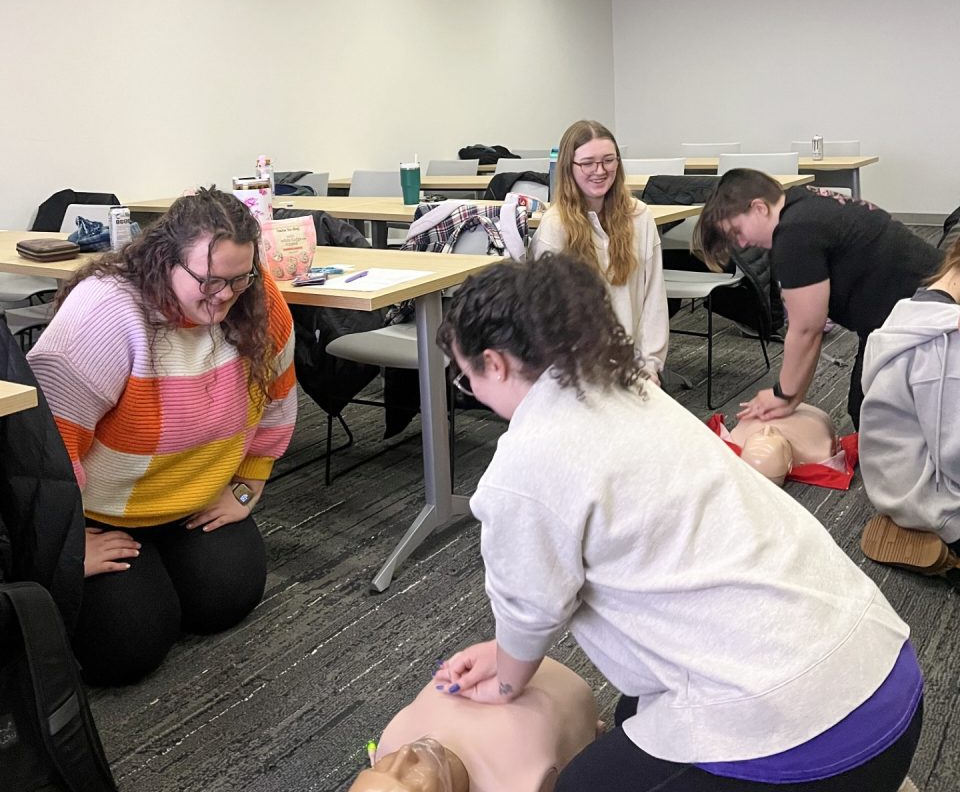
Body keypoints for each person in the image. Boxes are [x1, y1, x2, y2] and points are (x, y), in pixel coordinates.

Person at [432, 253, 922, 792]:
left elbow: (531, 610)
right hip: (887, 673)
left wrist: (505, 680)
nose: (470, 389)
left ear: (495, 363)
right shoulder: (632, 390)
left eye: (465, 376)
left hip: (820, 734)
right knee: (633, 717)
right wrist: (506, 655)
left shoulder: (523, 467)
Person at [29, 187, 298, 686]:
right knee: (128, 649)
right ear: (164, 258)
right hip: (95, 510)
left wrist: (248, 484)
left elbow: (277, 399)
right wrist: (63, 549)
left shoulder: (257, 300)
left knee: (227, 599)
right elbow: (43, 455)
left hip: (190, 499)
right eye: (209, 281)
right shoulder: (106, 314)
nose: (224, 297)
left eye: (239, 279)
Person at [694, 169, 939, 427]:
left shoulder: (794, 233)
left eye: (737, 231)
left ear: (759, 208)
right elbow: (811, 330)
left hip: (925, 318)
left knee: (872, 416)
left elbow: (806, 330)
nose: (742, 243)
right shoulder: (802, 204)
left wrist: (782, 394)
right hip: (916, 307)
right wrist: (791, 396)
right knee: (866, 410)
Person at [530, 120, 667, 381]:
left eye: (608, 160)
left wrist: (650, 366)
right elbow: (548, 318)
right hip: (576, 372)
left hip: (635, 368)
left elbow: (654, 300)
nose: (600, 170)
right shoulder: (555, 226)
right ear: (569, 167)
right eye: (588, 163)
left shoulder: (639, 216)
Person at [858, 234, 960, 580]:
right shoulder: (946, 347)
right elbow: (955, 459)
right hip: (932, 495)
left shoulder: (910, 313)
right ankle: (938, 545)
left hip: (898, 474)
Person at [350, 657, 600, 792]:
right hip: (565, 703)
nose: (404, 754)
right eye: (410, 779)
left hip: (514, 659)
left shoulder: (394, 739)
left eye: (378, 769)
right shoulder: (517, 781)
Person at [730, 403, 839, 485]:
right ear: (789, 466)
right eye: (772, 437)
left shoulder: (737, 436)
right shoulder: (818, 450)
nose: (767, 429)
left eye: (759, 435)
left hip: (777, 400)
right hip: (811, 416)